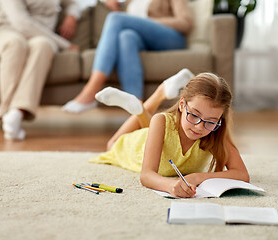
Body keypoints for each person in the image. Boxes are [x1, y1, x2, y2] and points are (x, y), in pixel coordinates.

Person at [89, 69, 250, 198]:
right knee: (111, 145)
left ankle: (142, 108)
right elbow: (146, 175)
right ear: (182, 104)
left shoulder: (217, 130)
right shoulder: (161, 121)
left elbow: (242, 174)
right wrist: (170, 185)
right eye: (194, 115)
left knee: (158, 129)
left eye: (210, 121)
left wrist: (195, 177)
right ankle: (150, 100)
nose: (200, 127)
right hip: (138, 146)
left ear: (219, 118)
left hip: (163, 136)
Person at [62, 0, 193, 113]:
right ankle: (137, 110)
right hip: (142, 40)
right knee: (126, 37)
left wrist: (145, 22)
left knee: (115, 18)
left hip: (171, 38)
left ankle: (91, 91)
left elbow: (185, 22)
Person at [0, 0, 81, 140]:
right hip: (5, 32)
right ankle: (8, 111)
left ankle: (17, 113)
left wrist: (71, 16)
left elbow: (72, 3)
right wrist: (65, 45)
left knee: (44, 46)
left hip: (41, 37)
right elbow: (22, 23)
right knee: (16, 44)